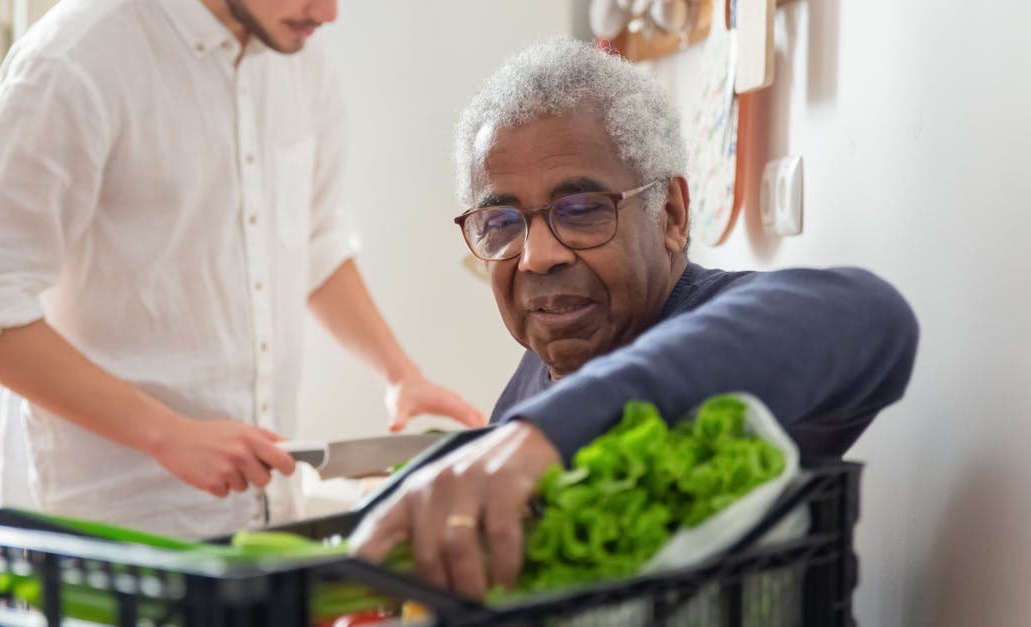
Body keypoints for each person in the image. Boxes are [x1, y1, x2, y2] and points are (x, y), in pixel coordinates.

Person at [350, 38, 919, 599]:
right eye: (501, 223)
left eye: (581, 210)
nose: (537, 256)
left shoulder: (729, 331)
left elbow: (873, 316)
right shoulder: (531, 380)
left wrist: (550, 431)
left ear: (670, 214)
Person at [0, 0, 484, 538]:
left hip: (267, 519)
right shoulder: (76, 59)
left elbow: (313, 240)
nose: (328, 13)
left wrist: (398, 374)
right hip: (112, 533)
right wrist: (168, 434)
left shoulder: (301, 58)